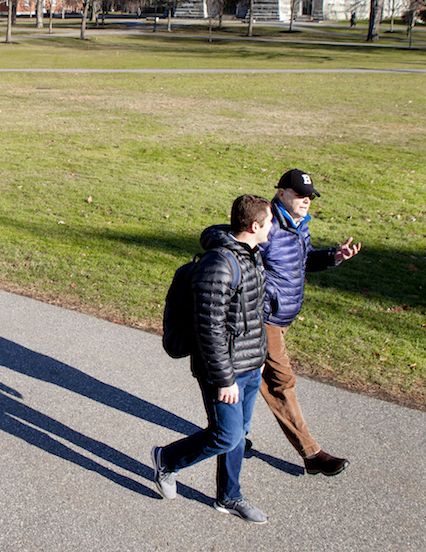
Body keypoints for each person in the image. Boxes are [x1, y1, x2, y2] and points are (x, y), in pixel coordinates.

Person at [231, 168, 359, 476]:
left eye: (310, 196)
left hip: (282, 316)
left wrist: (334, 257)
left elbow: (300, 261)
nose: (306, 201)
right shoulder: (267, 225)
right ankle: (311, 453)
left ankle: (236, 435)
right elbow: (235, 246)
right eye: (300, 195)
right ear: (281, 193)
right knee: (281, 381)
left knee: (252, 378)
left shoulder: (299, 226)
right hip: (264, 318)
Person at [152, 194, 272, 524]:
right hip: (223, 372)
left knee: (238, 433)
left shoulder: (250, 254)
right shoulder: (218, 266)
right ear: (254, 225)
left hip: (249, 365)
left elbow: (252, 313)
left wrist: (260, 358)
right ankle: (166, 460)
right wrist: (224, 379)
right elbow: (209, 329)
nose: (272, 228)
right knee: (226, 435)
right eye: (270, 222)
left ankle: (228, 497)